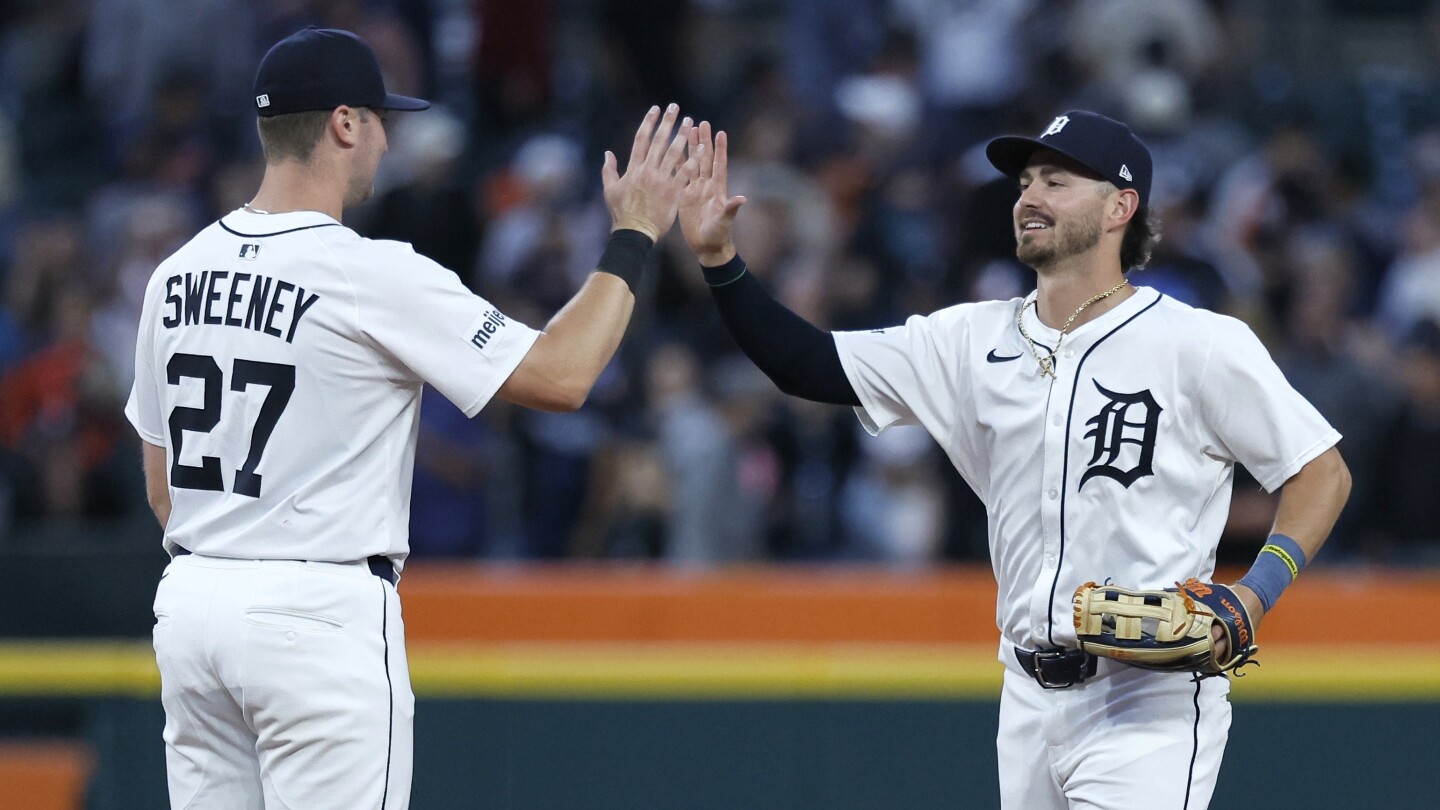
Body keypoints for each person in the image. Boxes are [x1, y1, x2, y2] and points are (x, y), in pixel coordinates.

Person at [677, 111, 1351, 808]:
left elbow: (1321, 470)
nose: (1029, 196)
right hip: (1026, 695)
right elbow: (808, 364)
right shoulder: (969, 339)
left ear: (1121, 207)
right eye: (1025, 182)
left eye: (1056, 181)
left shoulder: (1198, 345)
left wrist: (1256, 591)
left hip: (1146, 700)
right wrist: (720, 263)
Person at [124, 27, 695, 810]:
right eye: (381, 119)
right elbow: (564, 377)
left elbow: (163, 491)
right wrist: (634, 233)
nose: (390, 140)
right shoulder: (369, 272)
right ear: (344, 124)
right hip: (316, 613)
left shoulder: (175, 274)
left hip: (193, 607)